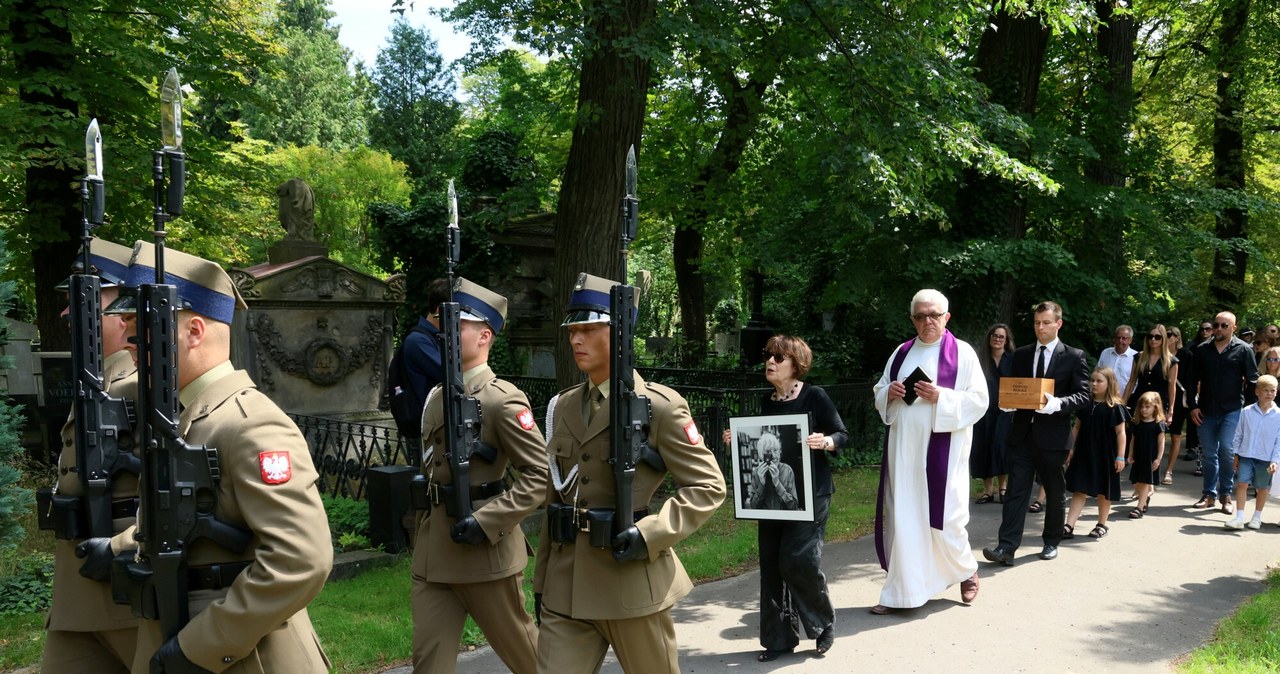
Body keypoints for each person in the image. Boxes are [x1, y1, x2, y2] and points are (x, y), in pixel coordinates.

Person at [86, 243, 333, 672]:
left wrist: (200, 646)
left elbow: (301, 560)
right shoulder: (184, 416)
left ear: (194, 331)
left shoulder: (250, 424)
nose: (127, 339)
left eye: (142, 324)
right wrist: (120, 544)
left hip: (244, 654)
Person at [534, 272, 726, 674]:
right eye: (573, 330)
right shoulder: (563, 406)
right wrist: (543, 582)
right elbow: (558, 496)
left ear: (619, 331)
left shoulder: (658, 407)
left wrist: (651, 533)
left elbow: (708, 486)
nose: (576, 340)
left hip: (631, 584)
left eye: (589, 329)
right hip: (567, 589)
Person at [411, 278, 549, 674]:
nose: (445, 329)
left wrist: (487, 521)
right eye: (444, 319)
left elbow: (538, 476)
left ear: (484, 335)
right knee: (428, 664)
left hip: (484, 554)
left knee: (529, 659)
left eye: (458, 322)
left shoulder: (501, 399)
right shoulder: (437, 395)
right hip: (434, 554)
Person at [42, 239, 139, 674]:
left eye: (84, 300)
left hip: (123, 590)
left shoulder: (142, 385)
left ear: (124, 309)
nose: (66, 313)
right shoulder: (99, 381)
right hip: (78, 592)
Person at [725, 334, 846, 660]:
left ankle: (823, 623)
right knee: (771, 566)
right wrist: (736, 438)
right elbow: (768, 440)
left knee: (798, 560)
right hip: (771, 503)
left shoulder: (815, 396)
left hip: (812, 494)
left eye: (779, 357)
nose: (771, 362)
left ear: (797, 364)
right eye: (768, 356)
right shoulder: (768, 401)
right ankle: (778, 640)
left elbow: (842, 435)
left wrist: (825, 441)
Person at [871, 289, 987, 614]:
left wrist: (943, 398)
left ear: (947, 317)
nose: (927, 321)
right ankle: (901, 594)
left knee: (947, 520)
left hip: (944, 457)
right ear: (912, 319)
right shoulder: (900, 353)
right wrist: (889, 394)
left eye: (934, 315)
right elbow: (879, 390)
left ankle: (966, 570)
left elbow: (980, 401)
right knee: (904, 520)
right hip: (904, 454)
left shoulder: (962, 354)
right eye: (920, 316)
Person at [983, 301, 1091, 565]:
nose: (1039, 327)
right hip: (1021, 435)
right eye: (1036, 323)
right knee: (1016, 493)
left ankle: (1051, 541)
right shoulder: (1021, 354)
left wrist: (1059, 404)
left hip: (1053, 438)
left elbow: (1085, 395)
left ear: (1058, 324)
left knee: (1054, 492)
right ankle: (1006, 547)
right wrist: (1007, 402)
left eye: (1045, 322)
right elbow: (1013, 388)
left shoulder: (1073, 356)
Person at [1188, 311, 1258, 514]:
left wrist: (1251, 409)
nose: (1218, 329)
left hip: (1232, 410)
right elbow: (1191, 380)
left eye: (1223, 326)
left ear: (1233, 328)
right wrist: (1193, 406)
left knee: (1226, 450)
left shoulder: (1244, 350)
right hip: (1206, 410)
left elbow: (1252, 380)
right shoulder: (1202, 350)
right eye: (1216, 325)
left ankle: (1226, 494)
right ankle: (1209, 494)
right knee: (1209, 454)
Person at [1062, 367, 1129, 540]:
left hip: (1106, 454)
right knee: (1079, 488)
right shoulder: (1085, 404)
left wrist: (1120, 456)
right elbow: (1077, 427)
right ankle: (1069, 525)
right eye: (1092, 380)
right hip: (1084, 452)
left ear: (1109, 383)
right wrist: (1070, 447)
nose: (1094, 384)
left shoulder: (1115, 407)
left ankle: (1102, 524)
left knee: (1103, 491)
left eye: (1099, 381)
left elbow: (1121, 433)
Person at [1223, 375, 1280, 530]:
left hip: (1266, 458)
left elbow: (1278, 441)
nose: (1269, 393)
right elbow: (1239, 434)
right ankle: (1239, 518)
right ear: (1257, 392)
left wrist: (1275, 460)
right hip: (1246, 455)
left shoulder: (1278, 415)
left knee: (1262, 488)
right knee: (1242, 484)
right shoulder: (1246, 411)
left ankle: (1256, 517)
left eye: (1273, 390)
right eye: (1266, 390)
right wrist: (1235, 454)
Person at [972, 324, 1014, 504]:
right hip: (983, 410)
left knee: (1002, 447)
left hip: (1005, 411)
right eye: (994, 336)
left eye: (1001, 337)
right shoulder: (980, 360)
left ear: (1006, 340)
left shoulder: (1013, 359)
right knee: (983, 448)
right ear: (989, 338)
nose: (997, 339)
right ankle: (988, 491)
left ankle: (1003, 488)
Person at [403, 278, 453, 406]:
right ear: (440, 310)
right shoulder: (418, 341)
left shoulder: (436, 337)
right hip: (427, 423)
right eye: (456, 311)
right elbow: (453, 378)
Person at [1122, 324, 1178, 420]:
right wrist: (1123, 403)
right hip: (1139, 402)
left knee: (1156, 433)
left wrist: (1171, 410)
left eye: (1157, 337)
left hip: (1159, 404)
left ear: (1163, 339)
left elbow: (1172, 387)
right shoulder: (1139, 357)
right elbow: (1131, 382)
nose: (1153, 340)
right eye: (1150, 336)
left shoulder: (1171, 361)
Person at [1126, 392, 1166, 518]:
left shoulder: (1158, 424)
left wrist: (1159, 458)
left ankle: (1139, 507)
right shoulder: (1136, 423)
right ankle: (1145, 499)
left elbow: (1161, 442)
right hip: (1138, 457)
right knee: (1136, 482)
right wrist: (1130, 454)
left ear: (1155, 407)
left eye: (1147, 407)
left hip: (1150, 457)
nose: (1144, 409)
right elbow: (1133, 439)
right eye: (1142, 407)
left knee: (1144, 481)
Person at [1162, 326, 1192, 485]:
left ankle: (1169, 470)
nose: (1166, 337)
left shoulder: (1185, 355)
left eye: (1169, 335)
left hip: (1178, 398)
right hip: (1159, 398)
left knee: (1175, 434)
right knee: (1155, 434)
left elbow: (1189, 377)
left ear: (1177, 338)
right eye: (1165, 335)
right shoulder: (1158, 354)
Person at [749, 433, 799, 510]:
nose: (774, 456)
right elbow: (753, 507)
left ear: (779, 452)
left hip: (785, 519)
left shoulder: (787, 470)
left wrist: (777, 483)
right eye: (768, 451)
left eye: (775, 450)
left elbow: (794, 506)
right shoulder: (756, 472)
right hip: (765, 520)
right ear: (762, 455)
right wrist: (761, 484)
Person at [1098, 324, 1137, 396]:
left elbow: (1135, 382)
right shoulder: (1106, 353)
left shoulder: (1136, 357)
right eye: (1118, 338)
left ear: (1130, 340)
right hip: (1103, 397)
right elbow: (1097, 374)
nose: (1120, 341)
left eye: (1124, 338)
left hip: (1125, 399)